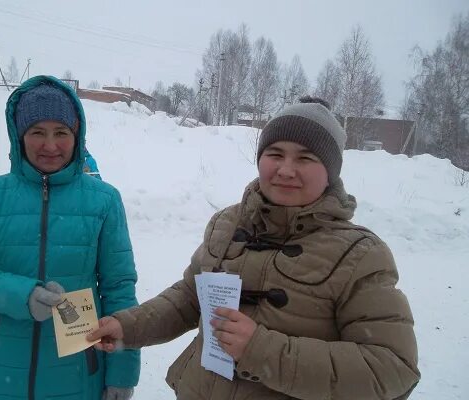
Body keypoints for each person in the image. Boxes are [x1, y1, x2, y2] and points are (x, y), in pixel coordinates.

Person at [88, 97, 421, 400]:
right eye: (275, 154)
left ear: (331, 172)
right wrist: (127, 326)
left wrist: (262, 350)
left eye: (305, 158)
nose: (286, 170)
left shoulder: (360, 255)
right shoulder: (227, 225)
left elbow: (392, 369)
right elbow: (188, 299)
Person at [0, 75, 140, 400]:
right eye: (37, 132)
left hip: (79, 373)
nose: (50, 145)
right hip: (1, 374)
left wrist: (122, 373)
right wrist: (22, 295)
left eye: (61, 133)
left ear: (76, 135)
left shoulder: (104, 200)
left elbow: (119, 290)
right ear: (19, 135)